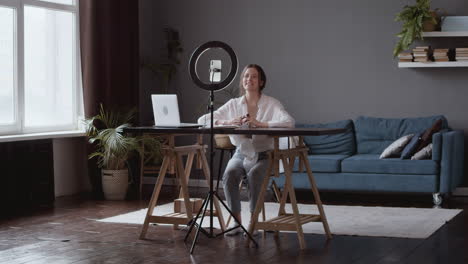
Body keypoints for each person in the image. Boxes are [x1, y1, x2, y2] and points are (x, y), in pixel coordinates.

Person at [197, 64, 295, 236]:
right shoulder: (233, 104)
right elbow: (203, 120)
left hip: (266, 155)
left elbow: (289, 122)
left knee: (255, 175)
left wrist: (261, 124)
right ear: (242, 81)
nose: (249, 79)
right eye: (246, 76)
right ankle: (237, 222)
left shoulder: (272, 103)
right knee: (229, 174)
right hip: (241, 152)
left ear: (261, 82)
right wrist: (227, 122)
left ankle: (254, 222)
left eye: (254, 76)